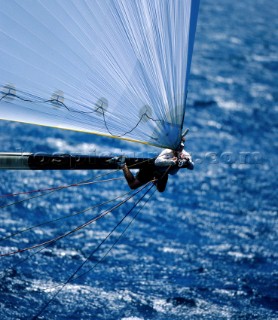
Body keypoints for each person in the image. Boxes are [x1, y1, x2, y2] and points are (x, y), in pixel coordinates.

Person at [118, 138, 194, 192]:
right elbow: (157, 162)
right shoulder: (168, 151)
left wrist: (188, 162)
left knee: (161, 189)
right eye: (177, 147)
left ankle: (153, 178)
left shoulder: (185, 155)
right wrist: (170, 162)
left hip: (162, 173)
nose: (179, 149)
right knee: (133, 185)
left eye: (181, 147)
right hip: (151, 168)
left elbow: (192, 167)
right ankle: (123, 164)